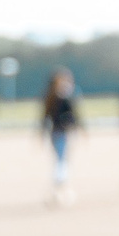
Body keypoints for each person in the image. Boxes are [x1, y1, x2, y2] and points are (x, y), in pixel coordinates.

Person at [40, 68, 79, 207]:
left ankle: (60, 186)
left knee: (61, 158)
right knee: (61, 160)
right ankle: (59, 185)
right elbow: (72, 116)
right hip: (59, 132)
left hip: (57, 132)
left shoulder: (53, 96)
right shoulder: (60, 97)